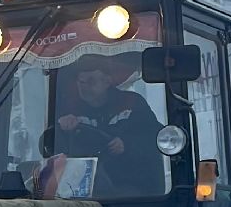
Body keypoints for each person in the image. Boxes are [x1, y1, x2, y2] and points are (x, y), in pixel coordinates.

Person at [46, 52, 163, 198]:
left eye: (90, 81)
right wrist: (60, 129)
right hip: (82, 187)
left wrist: (127, 145)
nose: (84, 87)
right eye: (80, 81)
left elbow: (155, 138)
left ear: (107, 81)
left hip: (131, 186)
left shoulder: (131, 103)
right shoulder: (70, 109)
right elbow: (47, 148)